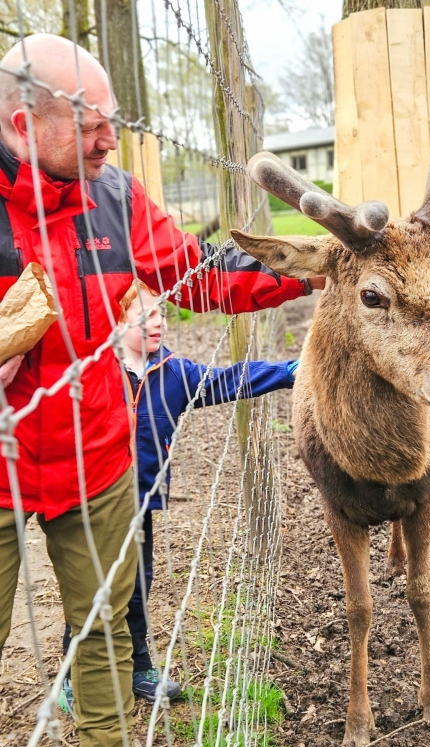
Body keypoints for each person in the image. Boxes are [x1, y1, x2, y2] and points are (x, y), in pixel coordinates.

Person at [0, 33, 322, 747]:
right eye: (87, 124)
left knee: (106, 627)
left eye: (113, 118)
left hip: (99, 456)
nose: (111, 139)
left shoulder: (113, 193)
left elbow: (199, 273)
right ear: (20, 125)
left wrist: (314, 267)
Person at [60, 280, 298, 709]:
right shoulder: (91, 372)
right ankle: (73, 675)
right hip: (92, 501)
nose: (158, 323)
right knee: (92, 589)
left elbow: (229, 380)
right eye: (145, 315)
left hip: (141, 504)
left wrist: (289, 372)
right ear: (115, 321)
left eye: (162, 313)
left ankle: (138, 668)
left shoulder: (173, 373)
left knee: (136, 586)